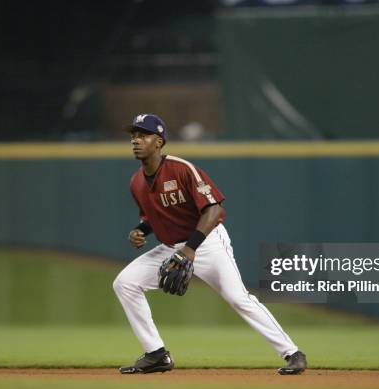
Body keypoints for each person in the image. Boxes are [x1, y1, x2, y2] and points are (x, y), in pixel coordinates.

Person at [113, 113, 306, 375]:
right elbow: (153, 217)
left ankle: (292, 353)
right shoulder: (136, 182)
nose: (136, 141)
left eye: (143, 135)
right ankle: (156, 354)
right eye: (133, 136)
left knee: (238, 298)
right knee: (125, 283)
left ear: (159, 142)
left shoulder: (181, 169)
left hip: (206, 243)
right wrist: (140, 230)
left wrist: (190, 249)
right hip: (171, 248)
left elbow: (213, 210)